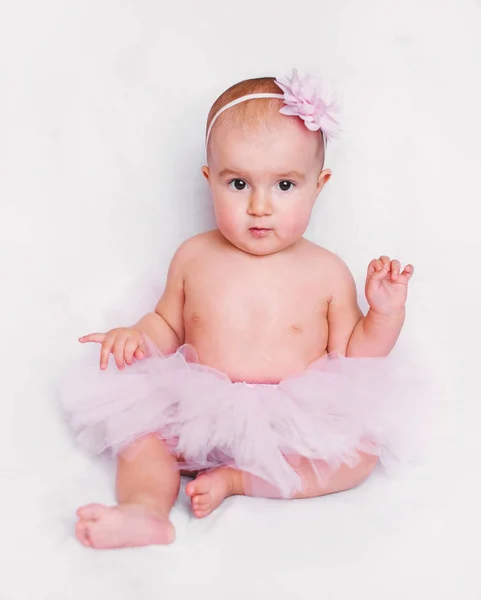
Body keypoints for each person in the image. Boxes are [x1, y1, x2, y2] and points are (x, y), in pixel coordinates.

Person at [61, 69, 415, 549]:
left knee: (359, 456)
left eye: (285, 186)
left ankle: (237, 480)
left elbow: (356, 356)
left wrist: (384, 313)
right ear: (210, 180)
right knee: (139, 438)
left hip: (287, 420)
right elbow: (167, 321)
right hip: (195, 408)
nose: (260, 206)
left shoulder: (327, 271)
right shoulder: (194, 256)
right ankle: (144, 511)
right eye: (239, 184)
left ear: (319, 183)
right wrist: (136, 337)